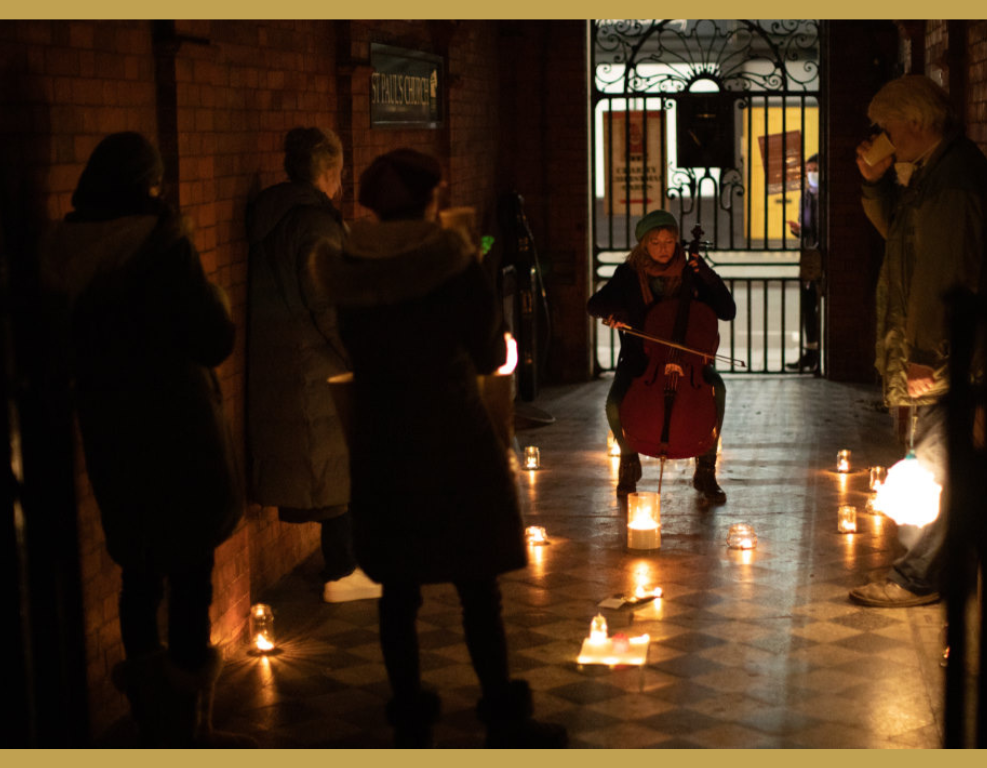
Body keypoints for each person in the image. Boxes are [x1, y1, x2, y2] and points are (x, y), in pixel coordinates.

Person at [311, 149, 567, 748]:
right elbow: (485, 355)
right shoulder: (450, 261)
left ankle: (410, 722)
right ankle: (503, 717)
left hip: (381, 439)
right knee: (478, 585)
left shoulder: (346, 265)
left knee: (397, 592)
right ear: (430, 199)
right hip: (453, 438)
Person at [40, 132, 255, 747]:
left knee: (138, 574)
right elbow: (212, 337)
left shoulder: (60, 253)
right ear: (147, 184)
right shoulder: (161, 245)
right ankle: (189, 723)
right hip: (177, 434)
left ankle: (149, 718)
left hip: (113, 436)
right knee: (191, 573)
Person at [849, 75, 987, 608]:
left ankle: (917, 577)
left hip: (946, 353)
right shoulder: (932, 172)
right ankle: (951, 555)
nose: (884, 135)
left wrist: (925, 352)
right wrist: (873, 181)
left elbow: (944, 269)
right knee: (938, 458)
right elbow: (899, 230)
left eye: (888, 127)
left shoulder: (952, 179)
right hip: (942, 350)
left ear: (914, 122)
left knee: (930, 467)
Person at [246, 127, 381, 604]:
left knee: (332, 471)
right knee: (335, 470)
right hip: (316, 369)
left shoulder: (276, 216)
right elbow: (331, 305)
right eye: (340, 172)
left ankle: (347, 567)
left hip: (294, 365)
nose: (341, 182)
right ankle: (343, 571)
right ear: (327, 172)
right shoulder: (314, 225)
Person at [587, 210, 737, 503]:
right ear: (643, 245)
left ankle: (705, 469)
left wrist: (705, 271)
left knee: (716, 391)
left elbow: (727, 311)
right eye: (655, 242)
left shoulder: (692, 271)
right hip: (643, 362)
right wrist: (617, 314)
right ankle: (629, 461)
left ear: (677, 242)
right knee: (614, 405)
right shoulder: (630, 273)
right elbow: (595, 305)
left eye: (669, 241)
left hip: (690, 364)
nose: (663, 248)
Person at [787, 153, 822, 373]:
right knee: (808, 306)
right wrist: (797, 231)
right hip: (809, 256)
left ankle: (819, 355)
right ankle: (810, 354)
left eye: (815, 169)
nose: (811, 174)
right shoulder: (806, 196)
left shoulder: (826, 197)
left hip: (824, 255)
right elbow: (805, 228)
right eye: (808, 170)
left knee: (822, 307)